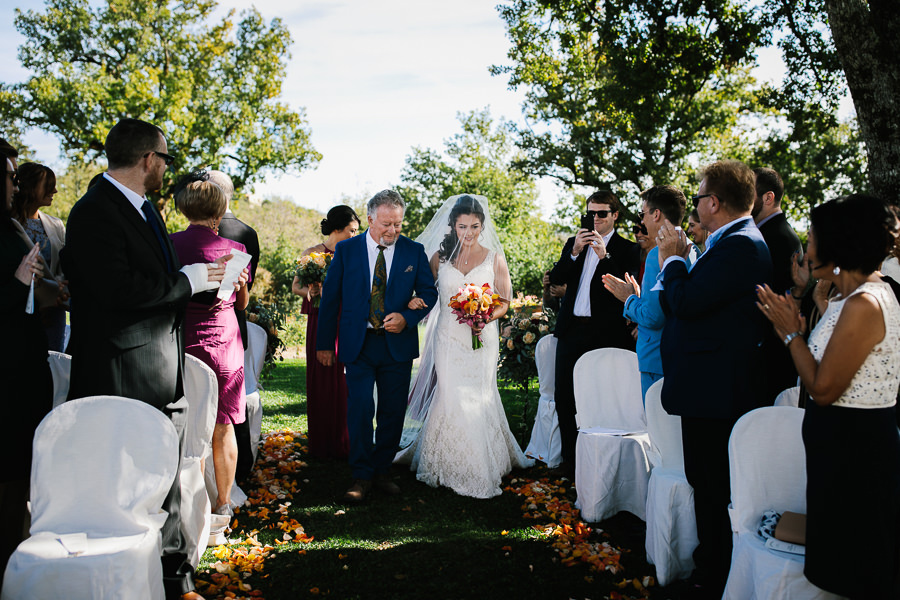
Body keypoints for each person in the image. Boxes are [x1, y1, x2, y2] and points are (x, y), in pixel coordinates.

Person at [61, 118, 230, 600]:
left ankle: (172, 575)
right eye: (165, 159)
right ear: (148, 160)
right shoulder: (94, 211)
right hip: (119, 373)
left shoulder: (144, 209)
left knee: (165, 479)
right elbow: (116, 290)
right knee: (128, 484)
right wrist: (188, 282)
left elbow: (155, 278)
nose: (165, 168)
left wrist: (199, 277)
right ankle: (130, 579)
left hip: (160, 367)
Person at [757, 194, 900, 599]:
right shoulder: (843, 298)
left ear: (839, 241)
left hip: (856, 451)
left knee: (855, 570)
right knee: (838, 565)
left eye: (814, 234)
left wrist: (790, 333)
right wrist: (803, 320)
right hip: (837, 448)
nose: (807, 243)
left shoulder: (867, 302)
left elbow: (822, 388)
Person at [655, 160, 772, 597]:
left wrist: (673, 260)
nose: (697, 202)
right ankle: (711, 567)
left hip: (718, 390)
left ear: (715, 203)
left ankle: (716, 576)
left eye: (700, 195)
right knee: (704, 483)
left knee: (714, 487)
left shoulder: (740, 245)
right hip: (707, 386)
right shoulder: (729, 243)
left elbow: (684, 303)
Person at [395, 194, 532, 498]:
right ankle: (445, 462)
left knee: (480, 395)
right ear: (453, 226)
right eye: (462, 227)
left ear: (482, 226)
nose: (468, 233)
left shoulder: (494, 257)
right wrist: (415, 301)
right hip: (448, 338)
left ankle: (483, 462)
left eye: (474, 226)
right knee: (451, 393)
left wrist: (485, 316)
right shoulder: (438, 258)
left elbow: (505, 302)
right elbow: (425, 292)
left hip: (483, 339)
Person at [316, 190, 437, 503]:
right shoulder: (346, 250)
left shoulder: (414, 250)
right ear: (369, 219)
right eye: (386, 223)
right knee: (359, 409)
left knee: (392, 412)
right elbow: (330, 299)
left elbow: (428, 291)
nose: (392, 230)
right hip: (359, 344)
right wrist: (325, 343)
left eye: (397, 224)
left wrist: (408, 317)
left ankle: (382, 471)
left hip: (397, 345)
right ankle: (360, 474)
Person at [170, 171, 250, 518]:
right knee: (223, 425)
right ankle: (223, 503)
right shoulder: (236, 250)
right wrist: (242, 284)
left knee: (188, 424)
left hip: (184, 342)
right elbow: (242, 304)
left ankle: (192, 501)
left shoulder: (169, 245)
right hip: (224, 344)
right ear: (219, 211)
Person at [547, 190, 640, 475]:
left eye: (602, 213)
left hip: (606, 334)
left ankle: (599, 467)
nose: (595, 219)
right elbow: (557, 278)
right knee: (565, 397)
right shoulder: (573, 243)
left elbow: (623, 290)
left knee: (599, 398)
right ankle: (569, 462)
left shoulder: (628, 249)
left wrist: (605, 256)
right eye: (591, 213)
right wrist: (574, 252)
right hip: (572, 329)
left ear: (615, 215)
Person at [0, 149, 52, 581]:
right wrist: (18, 283)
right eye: (9, 176)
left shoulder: (8, 224)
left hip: (23, 367)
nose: (14, 185)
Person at [603, 185, 688, 402]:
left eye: (643, 214)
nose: (643, 221)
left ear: (656, 214)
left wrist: (628, 299)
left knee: (657, 430)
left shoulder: (657, 253)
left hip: (656, 359)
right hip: (681, 354)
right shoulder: (691, 248)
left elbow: (653, 316)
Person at [291, 205, 360, 459]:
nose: (355, 236)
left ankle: (345, 440)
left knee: (346, 381)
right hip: (320, 321)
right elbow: (296, 286)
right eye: (351, 231)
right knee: (321, 379)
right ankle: (322, 442)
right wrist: (312, 292)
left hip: (347, 321)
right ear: (336, 229)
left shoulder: (354, 253)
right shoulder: (312, 254)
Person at [208, 170, 260, 483]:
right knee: (232, 401)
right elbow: (244, 288)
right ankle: (240, 466)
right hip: (233, 324)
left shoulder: (204, 231)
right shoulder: (247, 232)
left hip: (208, 325)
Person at [12, 162, 68, 351]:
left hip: (53, 310)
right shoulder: (7, 223)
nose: (55, 190)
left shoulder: (56, 225)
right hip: (16, 309)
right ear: (29, 186)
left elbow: (63, 266)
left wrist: (59, 287)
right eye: (48, 184)